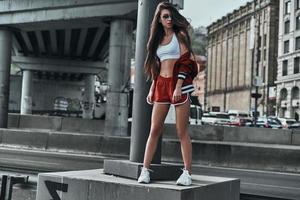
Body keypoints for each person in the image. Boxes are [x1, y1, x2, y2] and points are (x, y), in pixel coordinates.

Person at [137, 2, 198, 186]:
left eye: (171, 16)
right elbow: (156, 66)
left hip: (179, 84)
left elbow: (187, 61)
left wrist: (179, 85)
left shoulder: (179, 35)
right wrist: (152, 87)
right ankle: (145, 171)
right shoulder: (156, 40)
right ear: (159, 19)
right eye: (165, 17)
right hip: (161, 85)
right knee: (154, 130)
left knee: (181, 131)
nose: (169, 19)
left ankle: (187, 173)